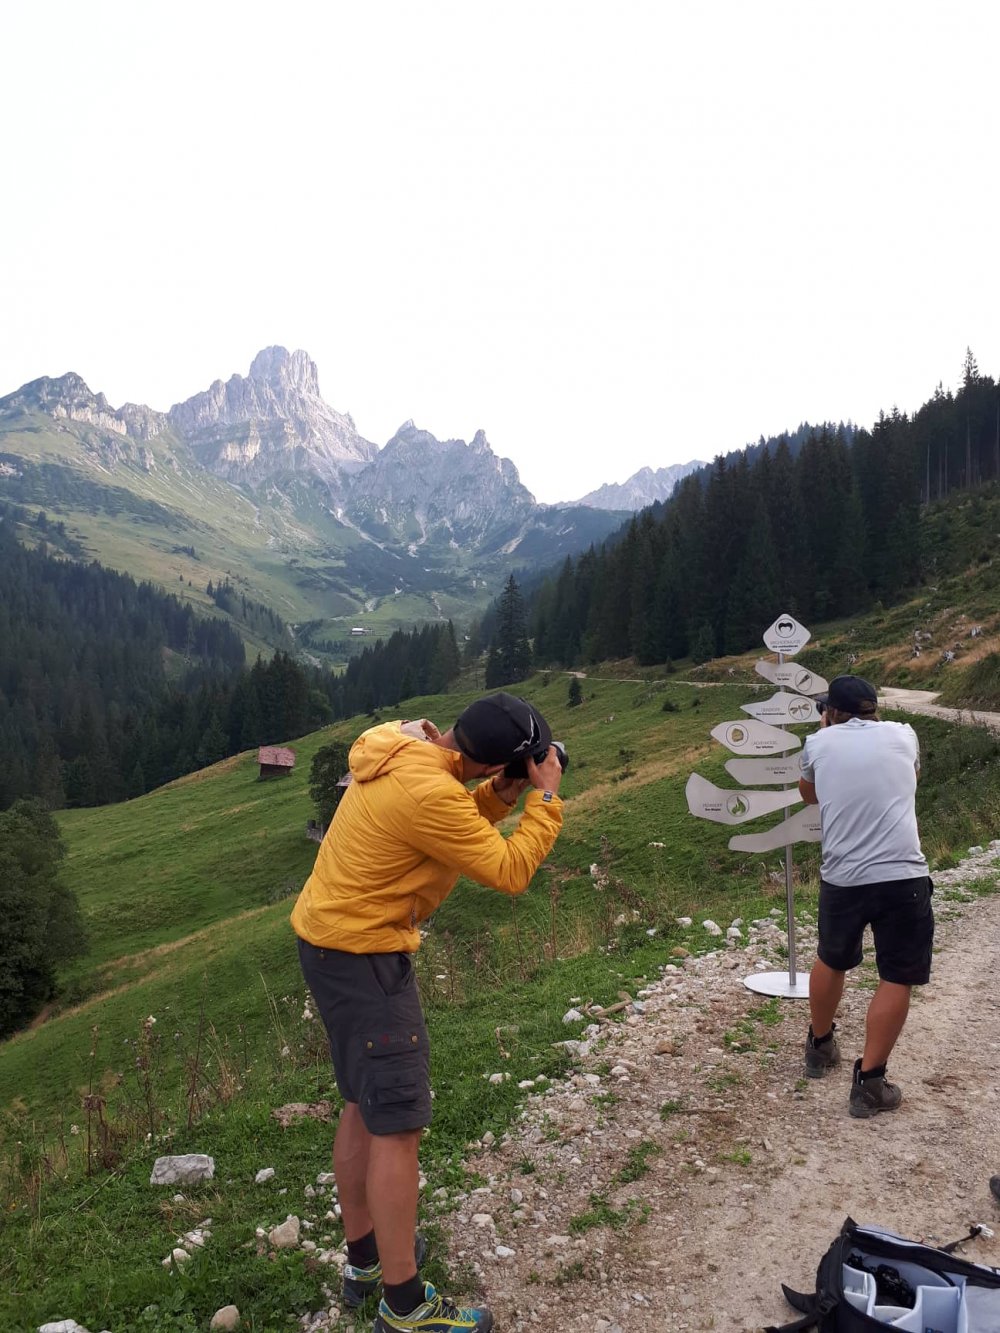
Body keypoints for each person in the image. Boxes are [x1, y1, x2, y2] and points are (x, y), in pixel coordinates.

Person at [291, 692, 565, 1333]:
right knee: (397, 1126)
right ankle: (406, 1305)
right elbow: (508, 868)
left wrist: (498, 793)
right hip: (365, 957)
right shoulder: (432, 793)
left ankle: (364, 1262)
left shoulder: (404, 750)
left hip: (330, 942)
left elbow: (446, 823)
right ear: (505, 758)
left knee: (364, 1102)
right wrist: (543, 801)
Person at [797, 674, 934, 1119]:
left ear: (831, 712)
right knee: (897, 975)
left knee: (831, 959)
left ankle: (819, 1047)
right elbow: (911, 777)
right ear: (874, 708)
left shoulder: (817, 745)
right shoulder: (904, 735)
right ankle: (870, 1083)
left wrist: (825, 737)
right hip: (903, 874)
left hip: (844, 877)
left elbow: (809, 794)